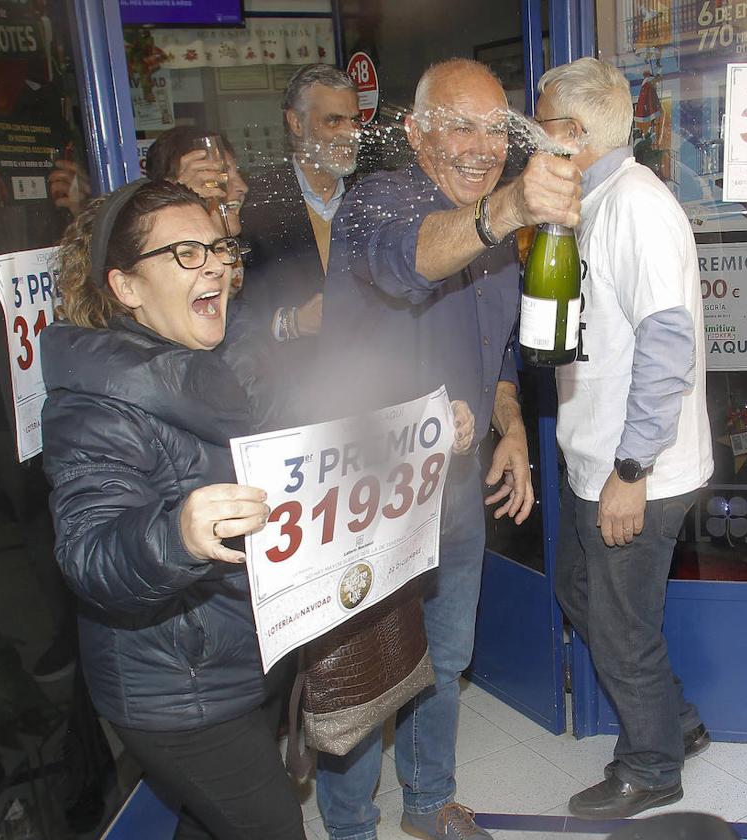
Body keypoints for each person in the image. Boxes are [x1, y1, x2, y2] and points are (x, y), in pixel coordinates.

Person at [315, 58, 582, 840]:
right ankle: (350, 830)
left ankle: (428, 805)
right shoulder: (378, 203)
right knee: (366, 678)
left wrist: (509, 432)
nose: (480, 144)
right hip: (368, 494)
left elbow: (499, 346)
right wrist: (505, 208)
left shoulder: (497, 235)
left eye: (496, 128)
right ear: (415, 131)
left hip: (455, 490)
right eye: (459, 124)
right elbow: (413, 263)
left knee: (446, 655)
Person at [38, 179, 305, 840]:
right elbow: (88, 552)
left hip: (246, 651)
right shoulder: (93, 406)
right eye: (186, 253)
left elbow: (302, 446)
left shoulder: (230, 361)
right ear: (126, 287)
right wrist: (176, 534)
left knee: (213, 824)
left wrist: (425, 433)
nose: (216, 263)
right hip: (180, 691)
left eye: (218, 246)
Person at [537, 58, 714, 819]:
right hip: (597, 459)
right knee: (582, 593)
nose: (527, 136)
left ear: (573, 134)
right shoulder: (594, 199)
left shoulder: (635, 206)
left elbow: (667, 348)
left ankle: (650, 767)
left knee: (620, 621)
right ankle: (672, 725)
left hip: (637, 467)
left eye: (538, 124)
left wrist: (631, 472)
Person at [239, 63, 362, 422]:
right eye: (333, 121)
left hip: (374, 393)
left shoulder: (373, 196)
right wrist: (292, 323)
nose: (349, 134)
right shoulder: (256, 206)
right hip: (294, 406)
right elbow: (232, 321)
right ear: (296, 124)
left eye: (354, 121)